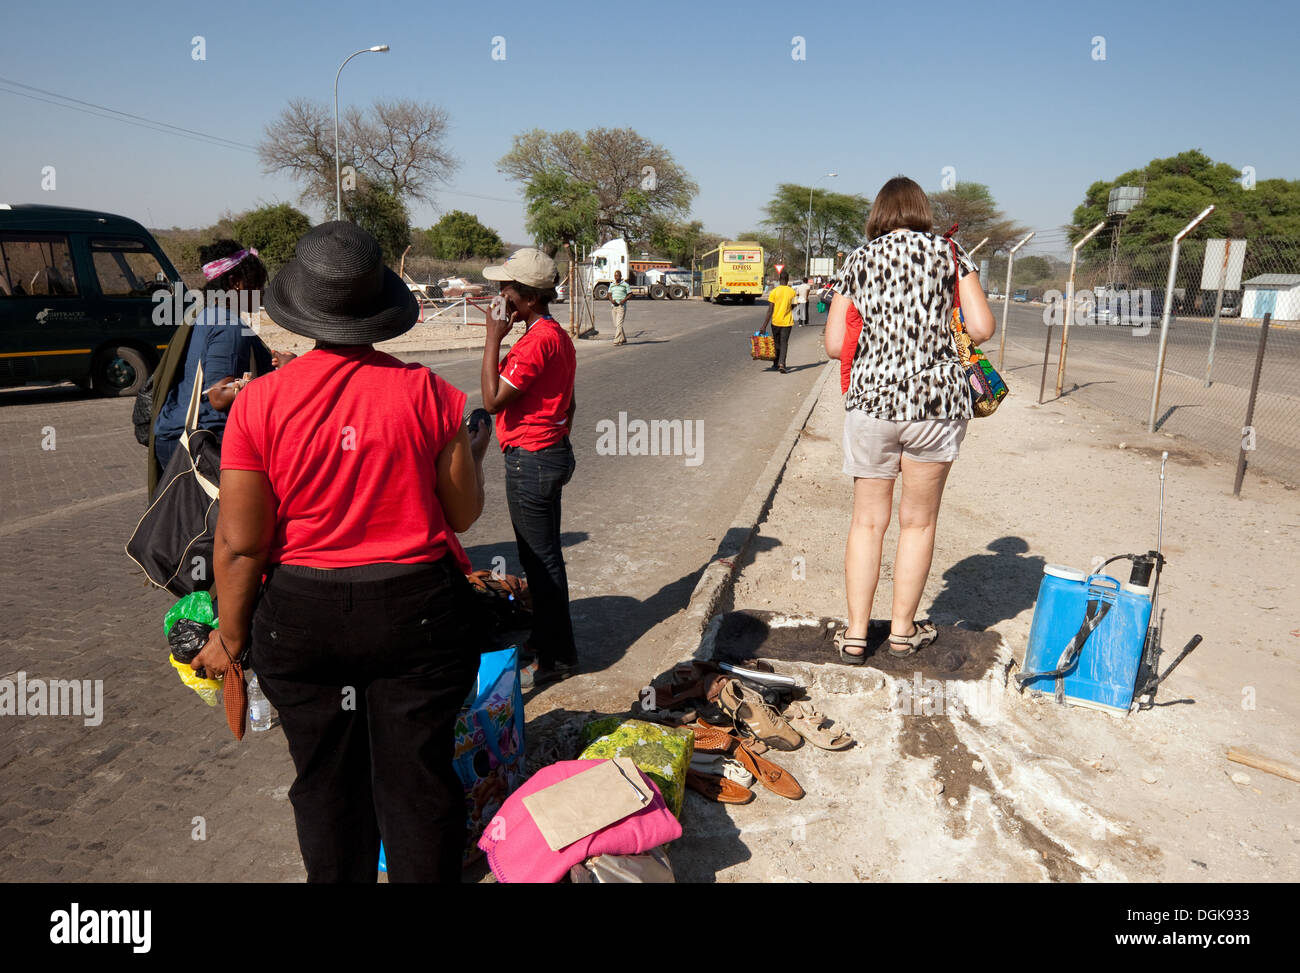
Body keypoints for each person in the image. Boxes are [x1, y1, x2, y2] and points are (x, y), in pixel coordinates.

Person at [189, 222, 492, 883]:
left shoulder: (258, 404)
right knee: (417, 781)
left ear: (303, 307)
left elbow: (241, 543)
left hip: (301, 616)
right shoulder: (432, 396)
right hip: (418, 612)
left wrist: (230, 636)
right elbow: (464, 515)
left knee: (326, 782)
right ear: (379, 306)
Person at [823, 175, 994, 664]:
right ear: (922, 209)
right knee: (918, 523)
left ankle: (856, 635)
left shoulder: (857, 260)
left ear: (878, 213)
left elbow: (836, 345)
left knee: (867, 522)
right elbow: (981, 327)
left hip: (872, 403)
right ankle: (902, 632)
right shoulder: (951, 254)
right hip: (936, 405)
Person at [479, 248, 579, 688]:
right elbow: (570, 402)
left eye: (507, 289)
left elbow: (492, 400)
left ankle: (557, 656)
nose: (500, 296)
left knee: (540, 561)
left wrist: (491, 337)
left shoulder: (537, 340)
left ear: (530, 299)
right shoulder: (553, 333)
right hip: (547, 451)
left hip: (533, 459)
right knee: (539, 557)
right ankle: (546, 641)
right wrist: (554, 436)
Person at [149, 241, 288, 494]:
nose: (261, 292)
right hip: (203, 444)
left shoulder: (205, 314)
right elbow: (219, 396)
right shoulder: (228, 326)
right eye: (256, 284)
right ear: (236, 282)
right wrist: (280, 377)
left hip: (176, 435)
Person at [760, 271, 797, 373]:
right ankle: (782, 364)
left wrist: (764, 326)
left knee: (776, 343)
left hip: (775, 322)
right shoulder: (792, 292)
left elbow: (770, 310)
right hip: (787, 322)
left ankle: (776, 363)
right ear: (788, 279)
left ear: (779, 279)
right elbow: (794, 305)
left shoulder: (774, 292)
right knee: (784, 343)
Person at [608, 269, 630, 345]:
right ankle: (623, 338)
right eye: (615, 275)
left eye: (617, 275)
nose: (616, 277)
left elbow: (630, 294)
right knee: (616, 324)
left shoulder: (625, 284)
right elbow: (609, 294)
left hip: (621, 306)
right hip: (614, 306)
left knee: (619, 323)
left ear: (621, 276)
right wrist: (611, 300)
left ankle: (617, 340)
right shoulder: (612, 284)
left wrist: (624, 300)